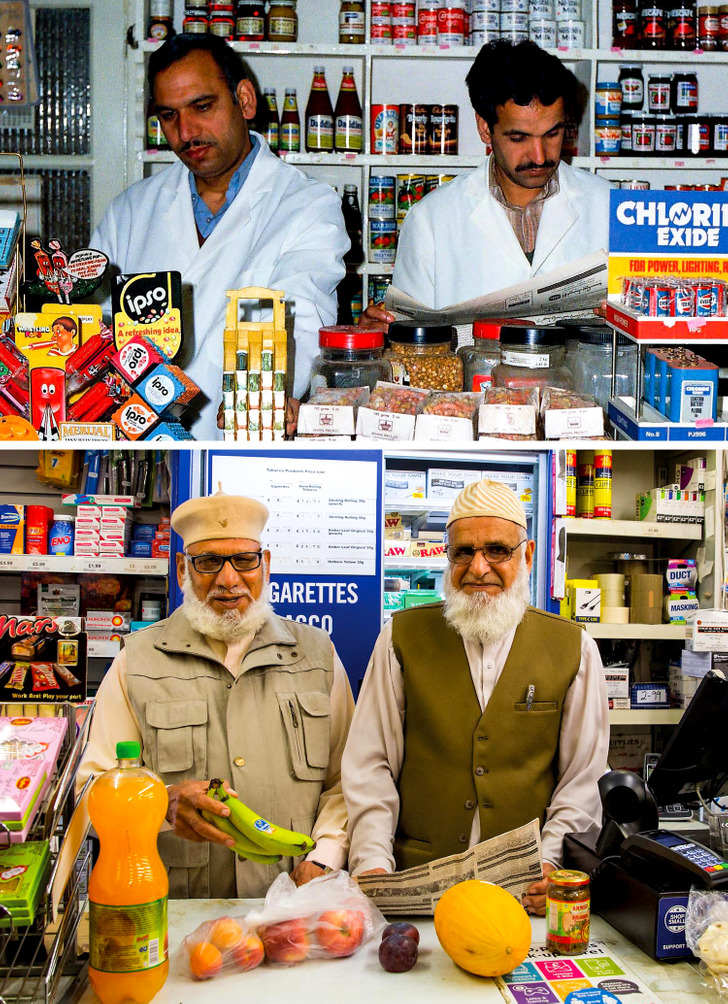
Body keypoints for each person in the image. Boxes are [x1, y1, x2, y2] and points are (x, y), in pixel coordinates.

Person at [342, 479, 609, 915]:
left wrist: (549, 862)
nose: (478, 568)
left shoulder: (574, 647)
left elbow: (582, 778)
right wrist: (372, 862)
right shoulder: (400, 637)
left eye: (497, 551)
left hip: (524, 894)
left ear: (527, 554)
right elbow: (370, 764)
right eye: (463, 552)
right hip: (415, 890)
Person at [77, 490, 355, 899]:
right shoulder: (136, 661)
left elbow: (347, 778)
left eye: (245, 560)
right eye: (208, 562)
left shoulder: (316, 654)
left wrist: (325, 856)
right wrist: (163, 804)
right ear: (182, 570)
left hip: (294, 906)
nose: (228, 580)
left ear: (266, 564)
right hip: (178, 910)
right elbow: (93, 790)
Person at [91, 34, 349, 439]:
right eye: (168, 115)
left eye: (202, 106)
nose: (186, 131)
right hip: (135, 442)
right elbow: (95, 330)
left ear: (245, 100)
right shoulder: (130, 210)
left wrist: (267, 397)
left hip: (241, 434)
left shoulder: (306, 205)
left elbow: (302, 322)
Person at [361, 40, 612, 326]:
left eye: (552, 134)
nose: (540, 156)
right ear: (484, 128)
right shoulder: (430, 220)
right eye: (519, 138)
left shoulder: (609, 204)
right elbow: (410, 343)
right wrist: (378, 337)